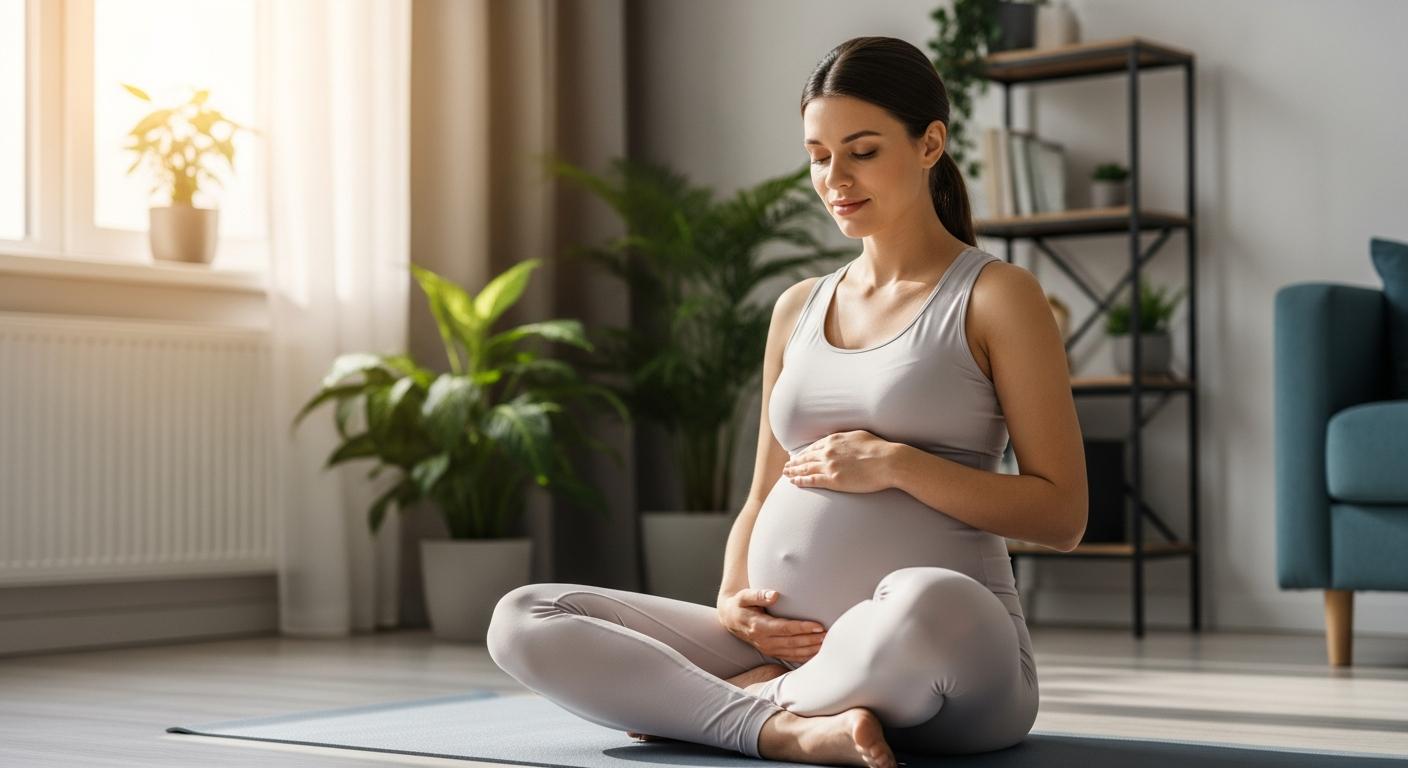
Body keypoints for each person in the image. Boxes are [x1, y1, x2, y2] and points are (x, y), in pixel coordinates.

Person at [486, 35, 1087, 768]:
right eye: (818, 154)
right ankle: (791, 726)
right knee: (524, 617)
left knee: (927, 600)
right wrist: (733, 599)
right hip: (784, 642)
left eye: (862, 151)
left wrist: (896, 463)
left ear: (931, 143)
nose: (836, 177)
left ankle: (733, 707)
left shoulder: (996, 296)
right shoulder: (797, 306)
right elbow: (762, 491)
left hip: (949, 659)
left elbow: (1061, 515)